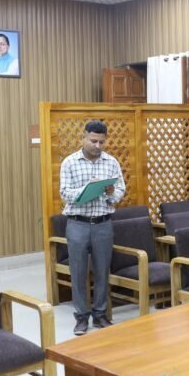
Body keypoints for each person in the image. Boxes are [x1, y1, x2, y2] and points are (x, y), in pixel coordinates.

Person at [60, 121, 126, 335]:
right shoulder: (69, 162)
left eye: (101, 142)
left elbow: (120, 190)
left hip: (103, 224)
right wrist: (88, 189)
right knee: (78, 272)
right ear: (83, 137)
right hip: (77, 224)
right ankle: (81, 317)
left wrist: (109, 192)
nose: (98, 146)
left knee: (102, 271)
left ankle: (100, 315)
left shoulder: (111, 162)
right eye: (93, 141)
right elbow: (65, 192)